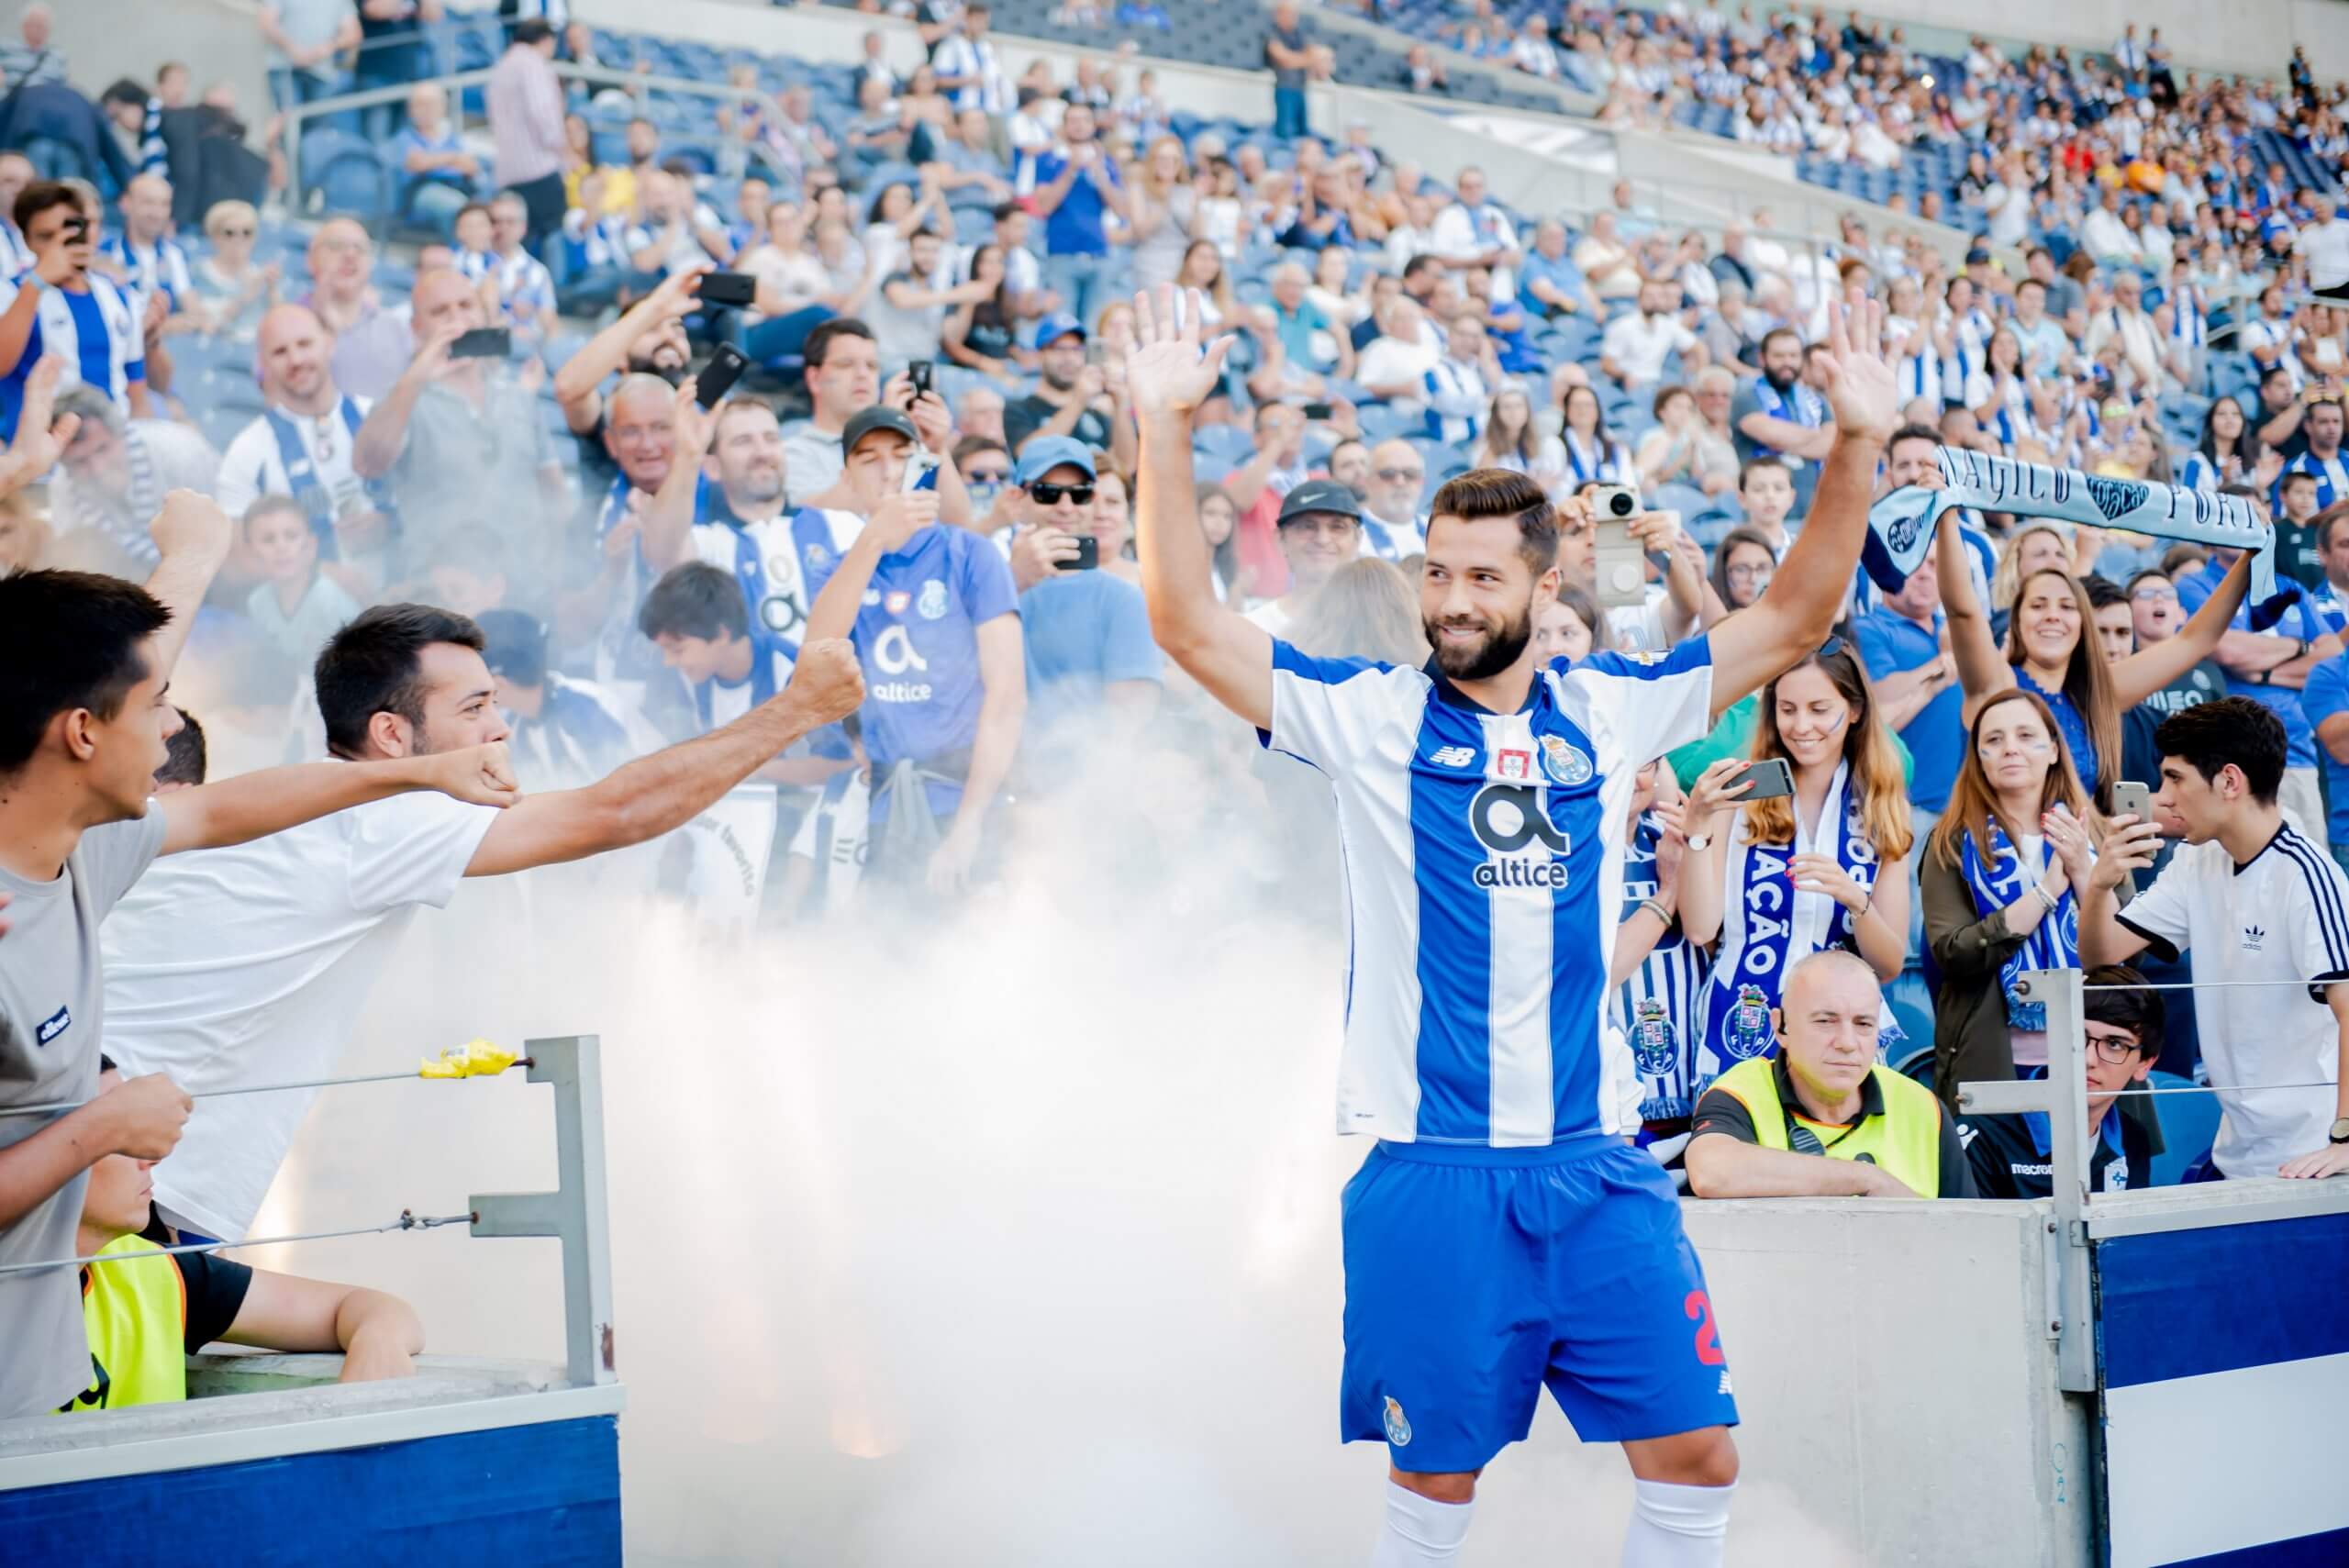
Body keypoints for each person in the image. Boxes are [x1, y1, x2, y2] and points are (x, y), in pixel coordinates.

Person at [1125, 280, 1903, 1568]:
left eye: (1483, 576)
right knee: (1437, 1490)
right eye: (1437, 571)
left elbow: (1796, 619)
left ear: (1544, 588)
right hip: (1432, 1171)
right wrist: (1162, 426)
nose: (1451, 599)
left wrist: (1858, 445)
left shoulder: (1610, 707)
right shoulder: (1366, 714)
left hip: (1598, 1168)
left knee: (1700, 1453)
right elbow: (1183, 620)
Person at [99, 606, 863, 1248]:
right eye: (472, 709)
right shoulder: (379, 819)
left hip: (111, 1156)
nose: (501, 726)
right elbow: (619, 813)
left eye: (495, 701)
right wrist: (799, 708)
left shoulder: (316, 799)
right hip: (140, 1183)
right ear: (392, 736)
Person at [0, 492, 521, 1420]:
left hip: (39, 1420)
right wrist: (105, 1126)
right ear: (83, 732)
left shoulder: (83, 854)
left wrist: (416, 771)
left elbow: (223, 805)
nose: (172, 731)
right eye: (154, 707)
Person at [2077, 698, 2349, 1181]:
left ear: (2229, 781)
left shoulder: (2309, 876)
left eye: (2175, 778)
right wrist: (2100, 885)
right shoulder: (2196, 860)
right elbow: (2100, 957)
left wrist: (2344, 1140)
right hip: (2235, 1153)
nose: (2162, 798)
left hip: (2312, 1161)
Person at [61, 1060, 426, 1412]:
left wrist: (379, 1346)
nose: (151, 1156)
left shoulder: (153, 1271)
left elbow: (372, 1309)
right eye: (118, 1134)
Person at [803, 406, 1023, 895]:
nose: (888, 470)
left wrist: (968, 829)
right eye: (869, 459)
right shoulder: (837, 571)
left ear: (924, 465)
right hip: (885, 805)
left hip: (969, 800)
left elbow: (1006, 700)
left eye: (902, 455)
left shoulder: (972, 555)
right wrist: (875, 538)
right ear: (847, 478)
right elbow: (815, 663)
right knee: (891, 958)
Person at [1680, 640, 1914, 1072]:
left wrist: (1853, 898)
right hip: (1741, 1025)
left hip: (1843, 1039)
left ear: (1856, 710)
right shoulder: (1739, 791)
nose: (1802, 725)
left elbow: (1889, 963)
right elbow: (1699, 928)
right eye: (1787, 709)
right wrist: (1697, 828)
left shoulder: (1882, 804)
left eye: (1819, 709)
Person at [1940, 512, 2252, 809]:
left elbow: (2194, 640)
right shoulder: (1997, 684)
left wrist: (2250, 555)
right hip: (1996, 860)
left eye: (2066, 606)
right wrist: (1947, 516)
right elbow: (1961, 611)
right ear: (2017, 622)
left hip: (2080, 861)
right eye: (2037, 605)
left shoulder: (2098, 690)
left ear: (2082, 624)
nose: (2052, 616)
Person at [1920, 688, 2099, 1101]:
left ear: (2054, 750)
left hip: (2091, 1053)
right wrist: (2047, 892)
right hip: (1994, 1057)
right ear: (1978, 757)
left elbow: (2125, 948)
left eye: (2025, 735)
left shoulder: (2092, 831)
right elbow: (1953, 951)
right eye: (1994, 740)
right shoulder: (1950, 841)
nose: (2010, 750)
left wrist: (2083, 873)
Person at [1685, 951, 1974, 1199]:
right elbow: (1712, 1171)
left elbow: (1970, 1234)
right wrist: (1867, 1180)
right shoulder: (1743, 1091)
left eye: (1863, 1024)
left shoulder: (1922, 1106)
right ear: (1780, 1027)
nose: (1847, 1043)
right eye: (1825, 1021)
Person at [1009, 436, 1163, 762]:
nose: (1065, 506)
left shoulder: (1121, 598)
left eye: (1080, 495)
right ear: (1017, 501)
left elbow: (1129, 721)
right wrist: (1014, 581)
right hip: (991, 784)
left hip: (1078, 791)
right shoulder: (982, 584)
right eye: (1047, 493)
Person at [215, 305, 392, 580]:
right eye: (280, 352)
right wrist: (317, 574)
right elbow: (237, 566)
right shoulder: (247, 452)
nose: (295, 360)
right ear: (262, 364)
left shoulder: (379, 418)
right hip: (312, 617)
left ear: (329, 343)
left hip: (407, 598)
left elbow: (434, 507)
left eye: (305, 344)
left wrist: (389, 523)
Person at [1954, 968, 2160, 1199]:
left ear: (2145, 1064)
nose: (2088, 1059)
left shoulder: (2132, 1137)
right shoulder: (1981, 1134)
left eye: (2114, 1044)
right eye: (2077, 1037)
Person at [0, 182, 150, 439]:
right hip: (38, 462)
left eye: (69, 231)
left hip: (109, 460)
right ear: (27, 240)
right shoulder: (10, 292)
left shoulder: (120, 296)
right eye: (46, 236)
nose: (60, 244)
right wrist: (37, 282)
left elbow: (135, 388)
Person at [51, 385, 221, 573]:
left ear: (121, 433)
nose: (98, 468)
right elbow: (77, 565)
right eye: (80, 461)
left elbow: (223, 525)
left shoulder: (181, 450)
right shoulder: (62, 488)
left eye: (102, 449)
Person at [1021, 102, 1128, 331]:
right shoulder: (1047, 159)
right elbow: (1044, 205)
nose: (1079, 126)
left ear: (1093, 125)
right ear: (1064, 125)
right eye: (1073, 120)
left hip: (1098, 253)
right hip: (1061, 254)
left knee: (1096, 328)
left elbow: (1120, 208)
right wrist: (1071, 169)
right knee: (1061, 327)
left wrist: (1099, 172)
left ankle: (1093, 368)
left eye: (1085, 120)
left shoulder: (1105, 161)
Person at [241, 493, 362, 664]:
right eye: (268, 539)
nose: (281, 547)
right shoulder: (257, 603)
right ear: (252, 554)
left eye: (291, 536)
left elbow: (364, 657)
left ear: (311, 546)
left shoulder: (328, 599)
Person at [1242, 477, 1361, 641]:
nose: (1323, 539)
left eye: (1337, 527)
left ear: (1357, 540)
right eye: (1307, 526)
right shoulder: (1254, 629)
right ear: (1280, 540)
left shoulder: (1381, 626)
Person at [781, 318, 883, 498]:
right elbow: (818, 514)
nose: (863, 374)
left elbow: (948, 516)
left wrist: (937, 449)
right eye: (846, 364)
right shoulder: (792, 453)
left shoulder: (907, 445)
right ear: (814, 378)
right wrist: (888, 430)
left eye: (872, 366)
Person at [1264, 0, 1311, 140]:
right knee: (1285, 132)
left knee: (1302, 133)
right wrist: (1305, 59)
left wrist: (1300, 59)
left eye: (1293, 14)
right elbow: (1285, 59)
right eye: (1287, 13)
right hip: (1284, 88)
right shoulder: (1272, 34)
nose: (1291, 17)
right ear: (1278, 15)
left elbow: (1315, 55)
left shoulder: (1299, 35)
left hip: (1300, 88)